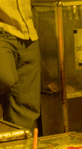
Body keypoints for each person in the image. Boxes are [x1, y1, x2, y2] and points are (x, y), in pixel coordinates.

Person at [0, 0, 41, 133]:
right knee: (6, 78)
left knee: (27, 103)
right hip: (2, 30)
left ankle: (21, 147)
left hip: (28, 31)